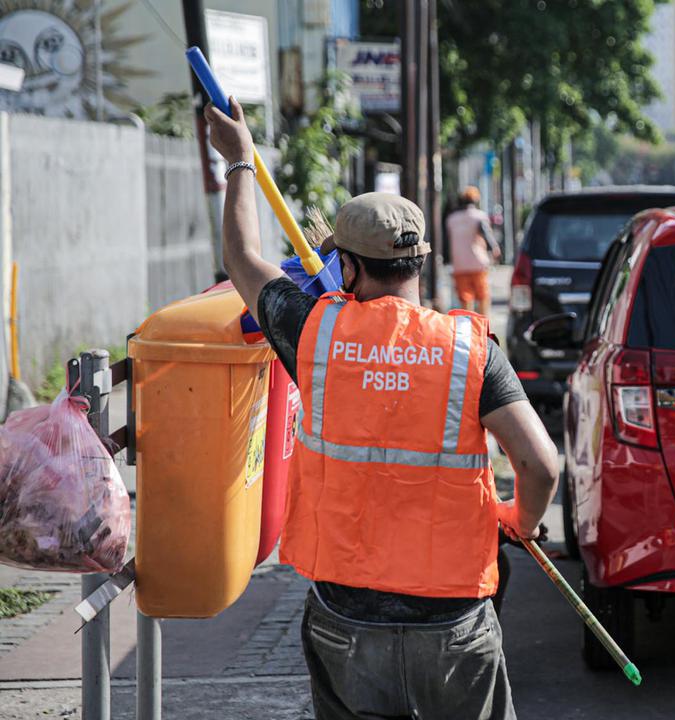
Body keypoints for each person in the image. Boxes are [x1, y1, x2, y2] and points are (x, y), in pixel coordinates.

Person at [204, 97, 558, 720]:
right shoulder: (470, 350)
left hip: (347, 616)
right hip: (452, 623)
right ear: (421, 261)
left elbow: (241, 260)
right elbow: (540, 464)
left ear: (345, 265)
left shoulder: (314, 333)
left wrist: (240, 163)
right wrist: (520, 521)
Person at [447, 186, 502, 316]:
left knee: (465, 298)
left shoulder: (451, 219)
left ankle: (467, 327)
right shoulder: (479, 217)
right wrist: (495, 249)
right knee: (483, 296)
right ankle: (482, 325)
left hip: (459, 263)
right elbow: (487, 236)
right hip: (478, 262)